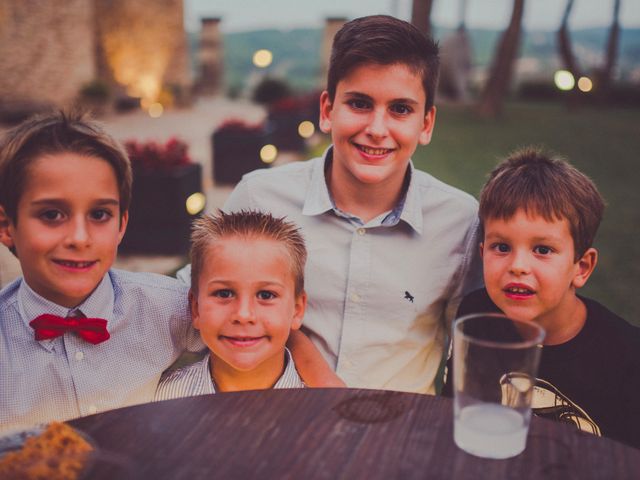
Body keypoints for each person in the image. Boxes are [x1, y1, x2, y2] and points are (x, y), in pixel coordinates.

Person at [214, 15, 482, 394]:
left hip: (399, 434)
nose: (376, 128)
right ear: (327, 110)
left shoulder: (461, 221)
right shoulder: (259, 198)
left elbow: (478, 346)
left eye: (401, 109)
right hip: (278, 428)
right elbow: (200, 304)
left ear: (426, 123)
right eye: (359, 103)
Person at [0, 111, 202, 432]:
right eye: (52, 214)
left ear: (121, 225)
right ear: (7, 226)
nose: (79, 238)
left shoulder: (167, 307)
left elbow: (250, 328)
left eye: (99, 214)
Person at [443, 147, 640, 448]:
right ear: (482, 253)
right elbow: (452, 416)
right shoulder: (475, 318)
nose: (518, 266)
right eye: (502, 247)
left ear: (581, 267)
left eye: (543, 250)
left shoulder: (626, 358)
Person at [156, 211, 308, 399]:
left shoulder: (326, 411)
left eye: (266, 295)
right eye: (224, 293)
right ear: (195, 308)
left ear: (297, 310)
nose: (243, 315)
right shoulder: (161, 402)